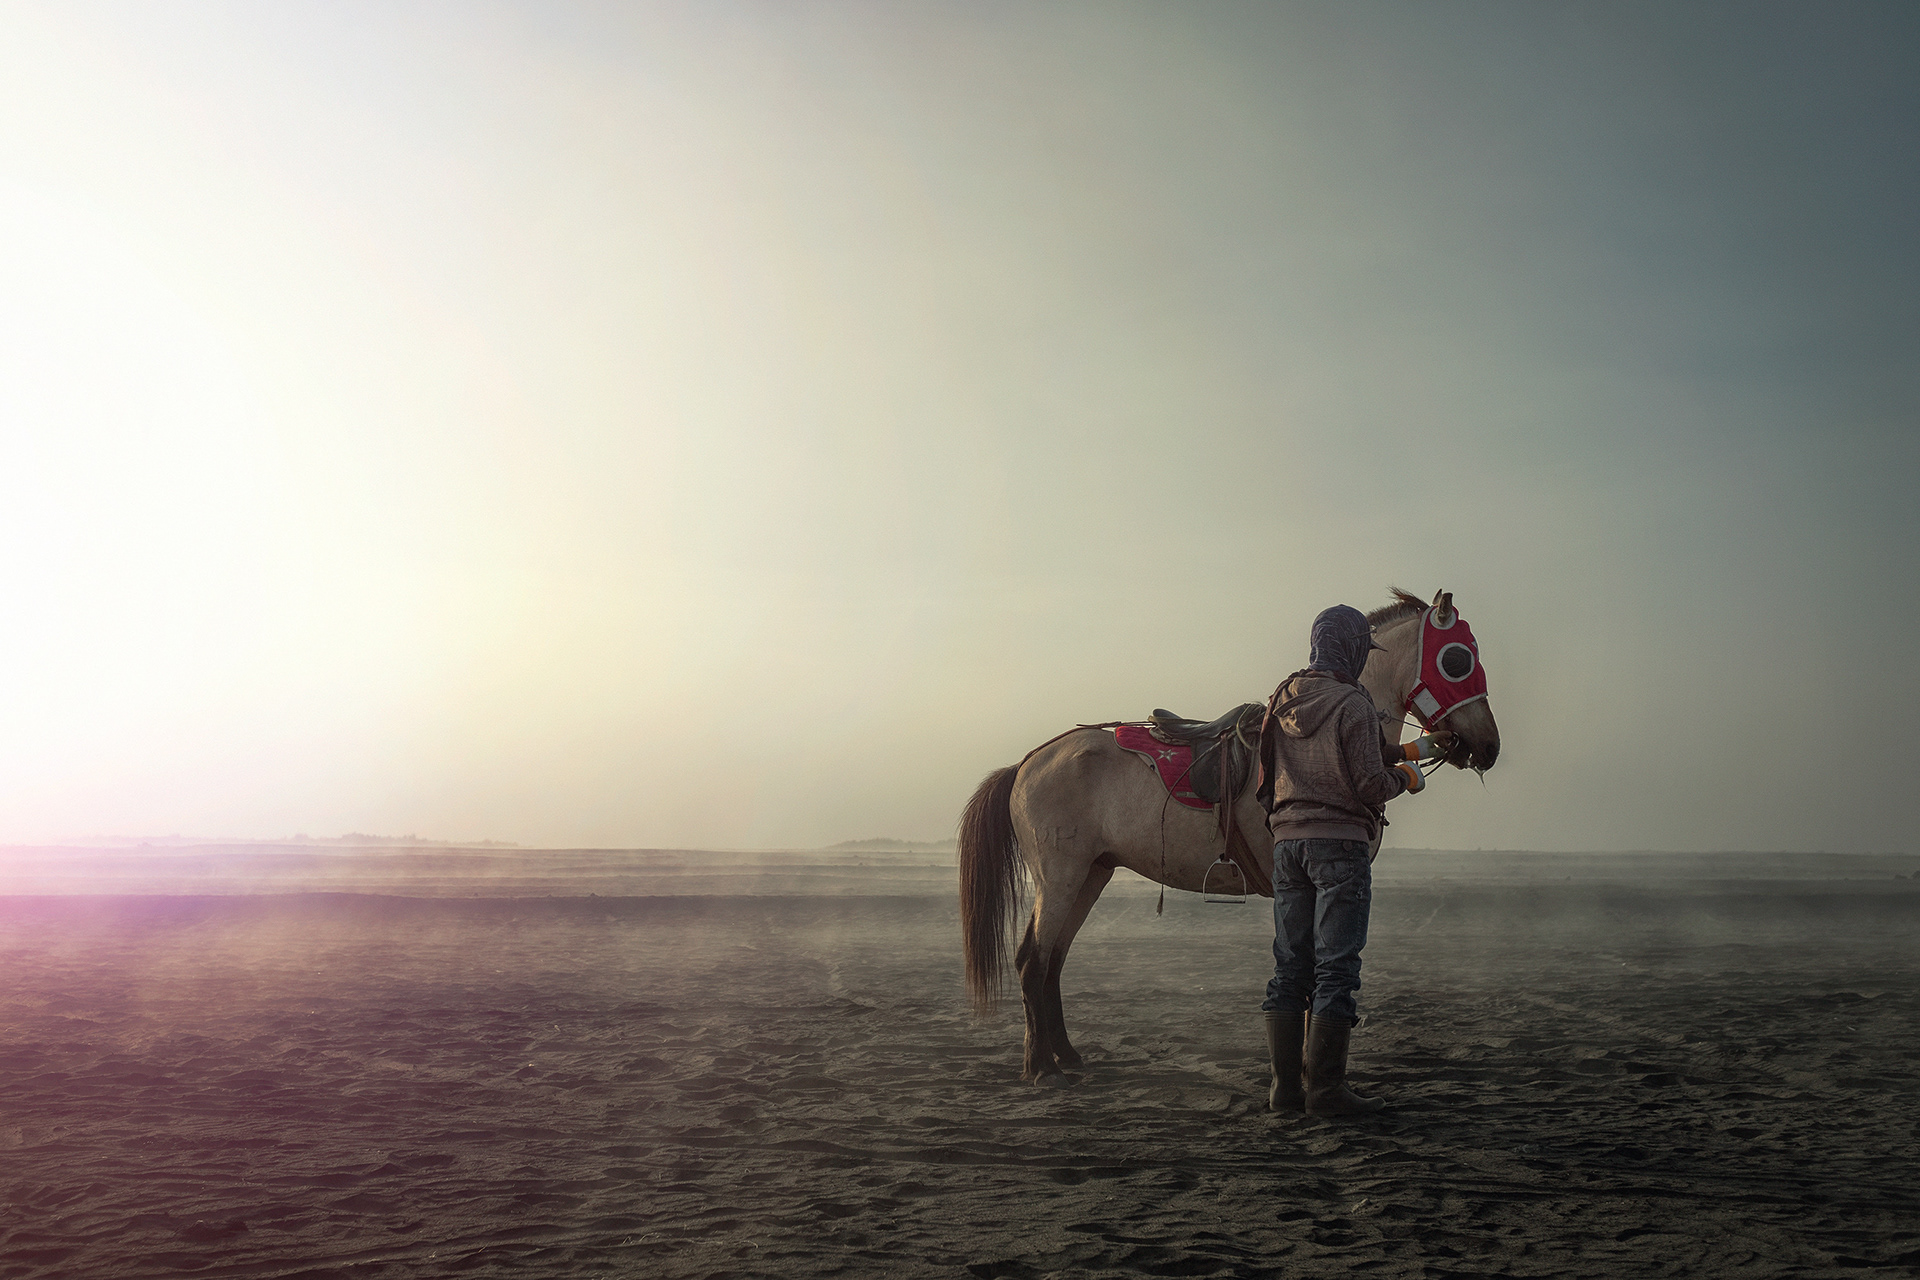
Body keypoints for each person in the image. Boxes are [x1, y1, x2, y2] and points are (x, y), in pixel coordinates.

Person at [1259, 605, 1451, 1117]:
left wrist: (1409, 750)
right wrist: (1407, 780)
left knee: (1289, 966)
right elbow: (1367, 782)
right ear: (1352, 649)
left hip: (1287, 847)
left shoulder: (1282, 697)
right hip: (1340, 846)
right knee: (1336, 966)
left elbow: (1268, 771)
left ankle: (1284, 1091)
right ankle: (1325, 1092)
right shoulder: (1354, 702)